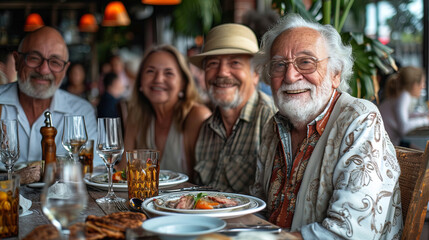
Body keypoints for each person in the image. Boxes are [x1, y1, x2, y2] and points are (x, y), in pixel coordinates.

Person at [250, 14, 402, 239]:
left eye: (306, 62)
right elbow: (258, 208)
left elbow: (351, 233)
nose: (290, 76)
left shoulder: (359, 119)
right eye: (279, 65)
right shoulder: (275, 126)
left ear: (335, 74)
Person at [189, 24, 276, 194]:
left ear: (256, 74)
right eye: (213, 63)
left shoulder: (271, 121)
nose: (222, 73)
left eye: (235, 63)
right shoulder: (206, 128)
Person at [0, 26, 101, 165]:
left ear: (65, 70)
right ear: (17, 61)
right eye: (34, 58)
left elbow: (93, 169)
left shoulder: (81, 112)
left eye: (55, 62)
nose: (43, 70)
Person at [119, 45, 211, 176]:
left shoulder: (196, 116)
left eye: (169, 73)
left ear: (183, 83)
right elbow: (124, 171)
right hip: (144, 197)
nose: (158, 79)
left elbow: (205, 182)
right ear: (140, 81)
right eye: (150, 71)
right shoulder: (136, 116)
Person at [379, 66, 429, 146]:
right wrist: (425, 120)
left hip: (389, 143)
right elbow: (404, 128)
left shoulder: (400, 95)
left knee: (420, 152)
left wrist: (422, 115)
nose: (424, 86)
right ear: (414, 85)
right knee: (423, 154)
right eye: (423, 83)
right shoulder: (404, 96)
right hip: (387, 147)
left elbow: (404, 117)